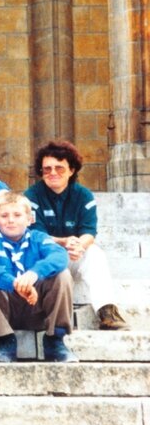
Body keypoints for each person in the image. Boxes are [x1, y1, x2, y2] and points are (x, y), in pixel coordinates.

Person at [24, 140, 129, 330]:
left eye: (59, 168)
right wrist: (63, 242)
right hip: (44, 255)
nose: (53, 173)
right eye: (47, 169)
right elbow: (35, 233)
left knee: (95, 254)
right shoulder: (31, 195)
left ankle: (107, 311)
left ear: (71, 170)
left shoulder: (84, 195)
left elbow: (89, 232)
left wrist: (79, 246)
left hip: (73, 253)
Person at [0, 192, 77, 362]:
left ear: (29, 219)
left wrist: (34, 273)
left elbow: (60, 256)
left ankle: (55, 340)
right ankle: (4, 341)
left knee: (62, 275)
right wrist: (13, 283)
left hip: (36, 308)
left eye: (17, 215)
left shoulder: (39, 238)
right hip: (6, 310)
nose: (11, 220)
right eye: (4, 216)